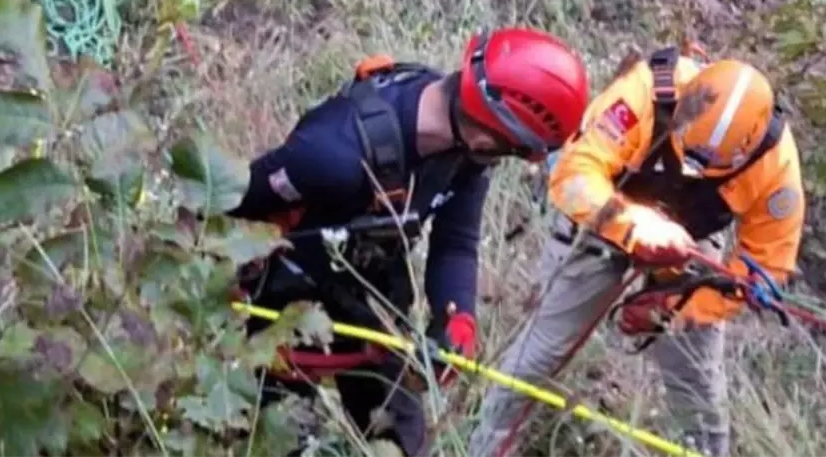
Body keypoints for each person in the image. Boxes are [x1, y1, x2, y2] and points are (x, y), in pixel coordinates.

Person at [228, 27, 591, 457]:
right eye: (512, 151)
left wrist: (458, 319)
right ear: (488, 136)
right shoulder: (334, 155)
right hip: (274, 304)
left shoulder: (464, 156)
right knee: (264, 441)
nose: (500, 161)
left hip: (368, 290)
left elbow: (457, 241)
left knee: (405, 445)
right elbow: (230, 204)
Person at [468, 43, 807, 457]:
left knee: (698, 387)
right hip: (600, 218)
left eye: (708, 163)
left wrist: (677, 307)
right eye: (690, 150)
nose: (692, 168)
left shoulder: (776, 166)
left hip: (691, 246)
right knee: (537, 354)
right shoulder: (645, 92)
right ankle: (482, 447)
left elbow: (765, 271)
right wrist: (632, 227)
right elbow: (575, 175)